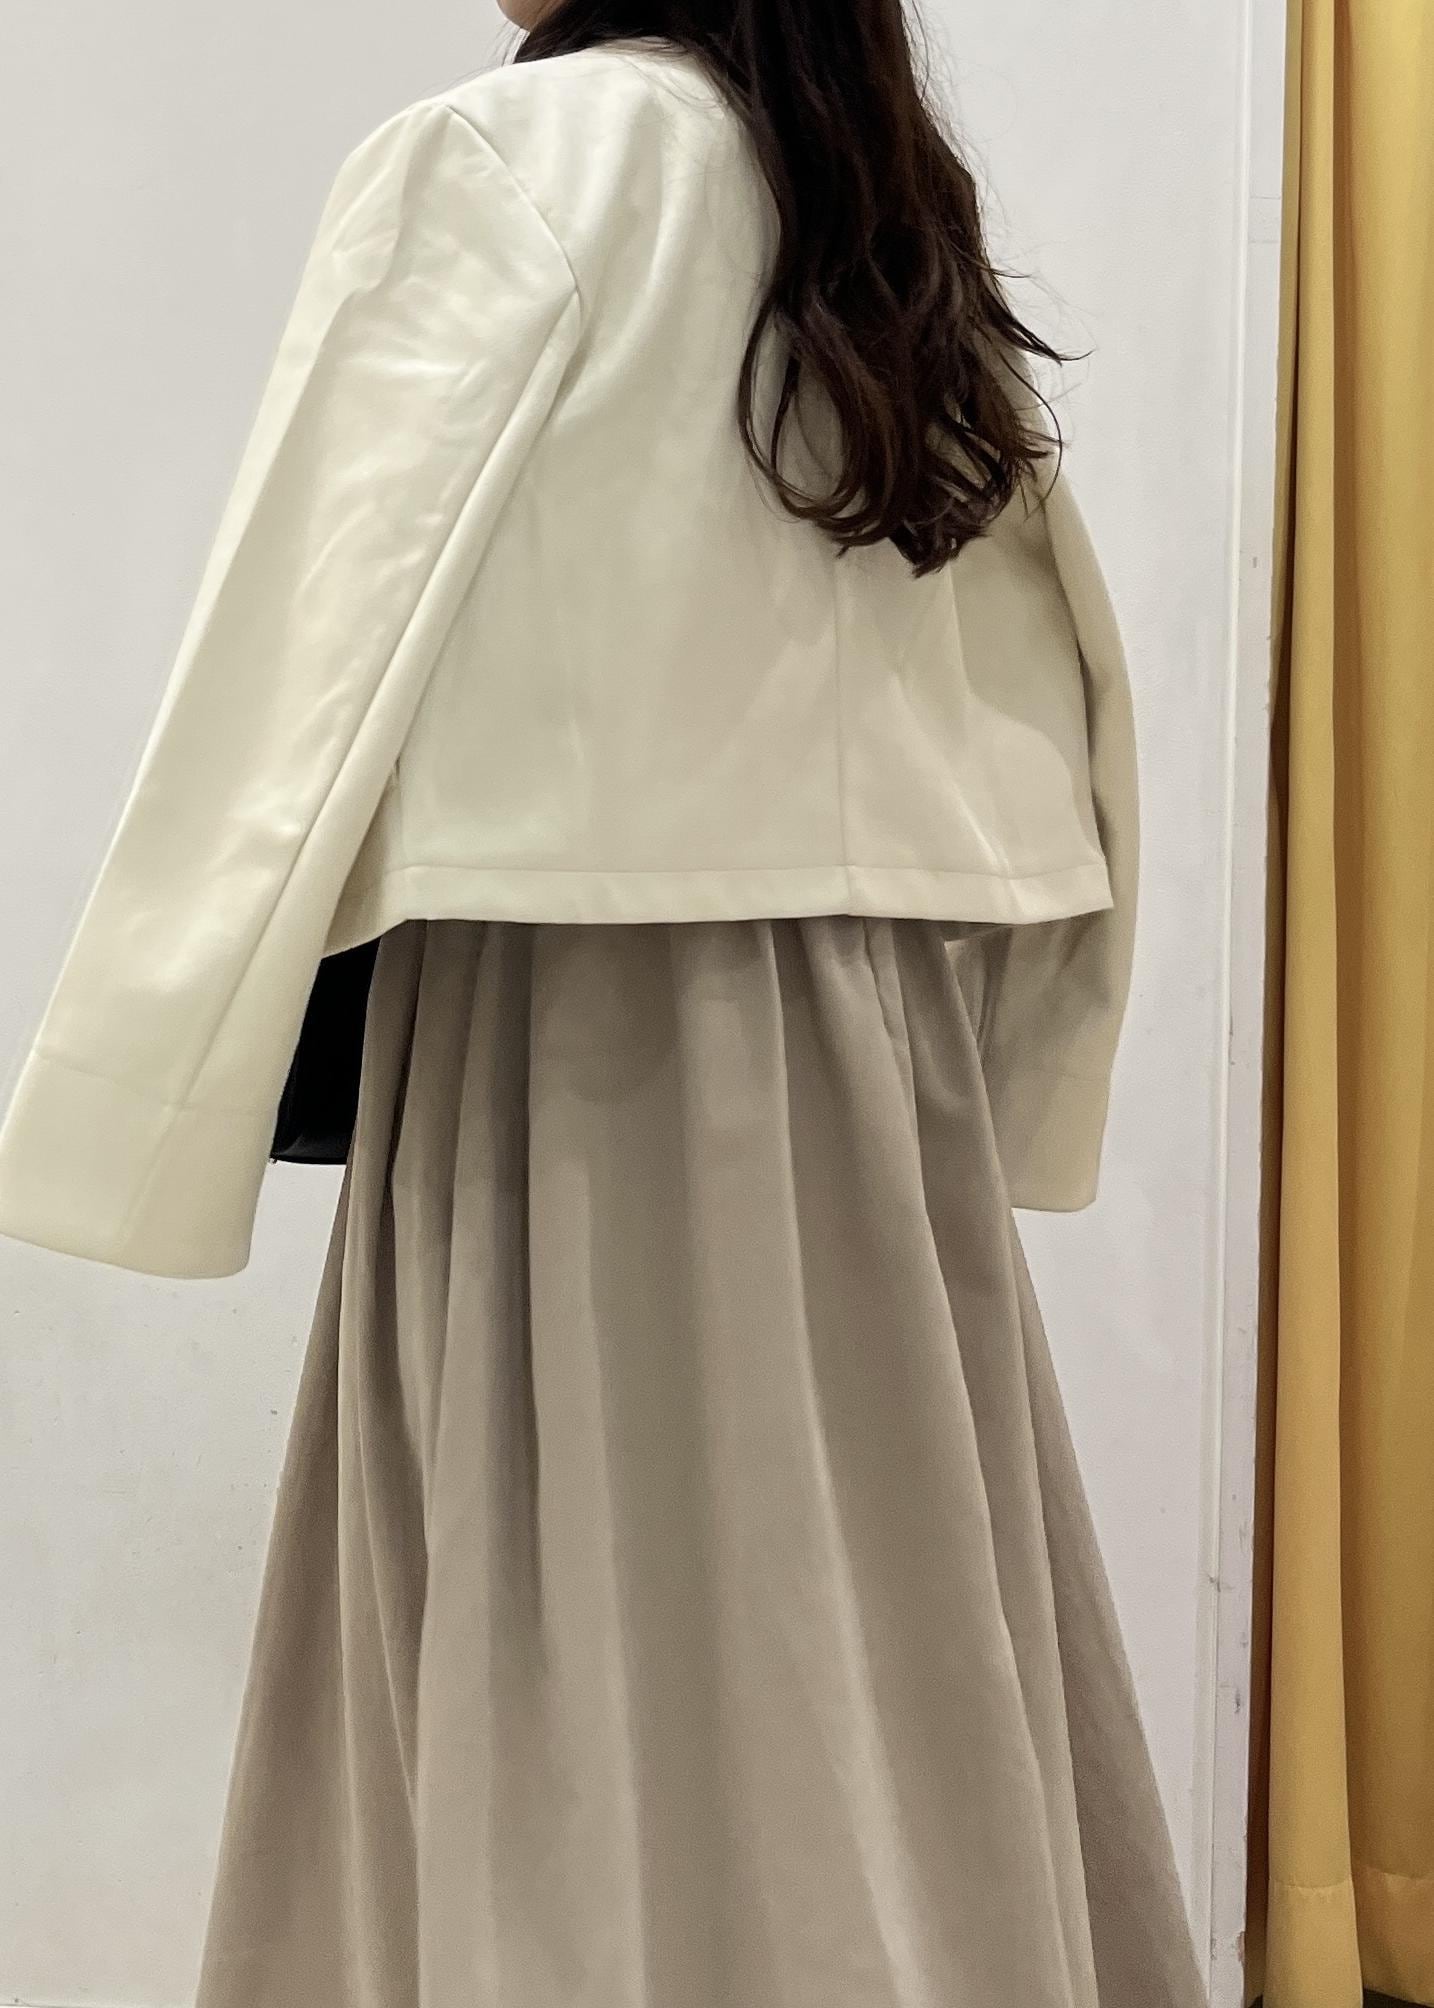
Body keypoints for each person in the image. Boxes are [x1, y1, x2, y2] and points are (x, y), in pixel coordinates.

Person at [0, 1, 1209, 2002]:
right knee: (891, 1601)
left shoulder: (504, 160)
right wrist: (1032, 1024)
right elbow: (1040, 650)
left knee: (560, 1627)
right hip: (870, 1044)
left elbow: (302, 633)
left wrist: (144, 1075)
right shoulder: (867, 202)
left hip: (573, 1022)